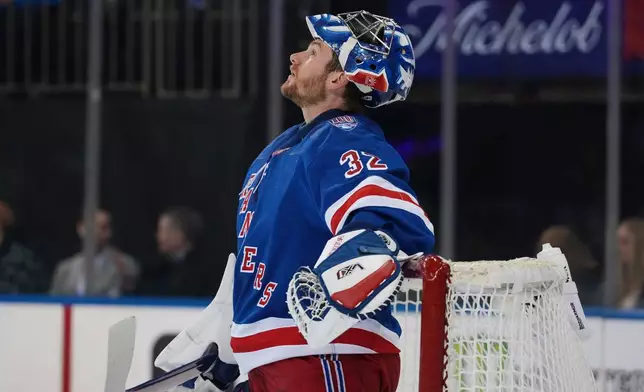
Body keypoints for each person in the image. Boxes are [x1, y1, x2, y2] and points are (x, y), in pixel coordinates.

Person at [224, 11, 433, 392]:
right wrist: (226, 338)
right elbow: (261, 252)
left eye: (313, 51)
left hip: (329, 354)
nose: (295, 57)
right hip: (277, 357)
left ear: (339, 76)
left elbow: (390, 213)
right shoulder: (285, 145)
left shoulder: (344, 137)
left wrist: (366, 246)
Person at [50, 209, 140, 297]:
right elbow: (51, 305)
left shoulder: (124, 265)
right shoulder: (65, 269)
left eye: (107, 228)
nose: (107, 233)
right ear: (82, 229)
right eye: (101, 227)